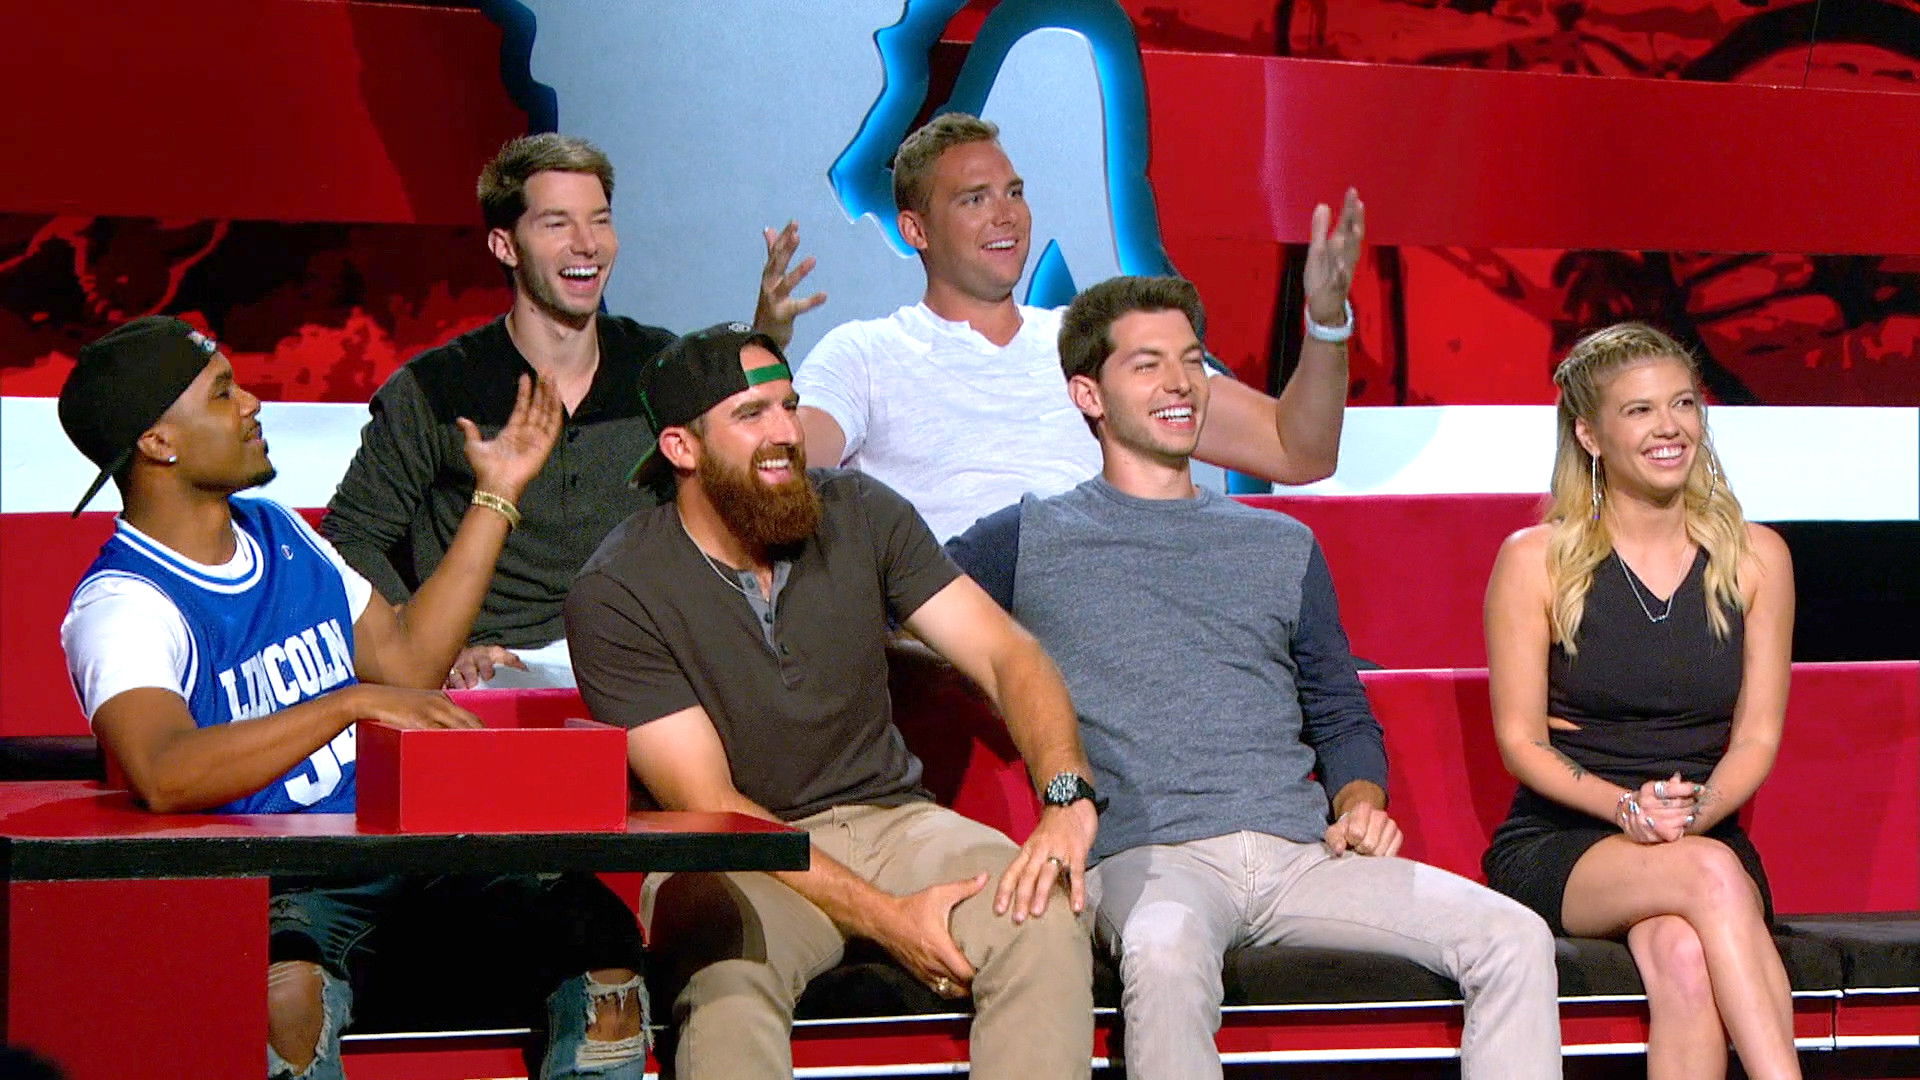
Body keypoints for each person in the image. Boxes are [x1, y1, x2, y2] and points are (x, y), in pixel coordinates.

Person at [946, 276, 1562, 1080]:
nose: (1180, 383)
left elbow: (1339, 712)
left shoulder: (1281, 545)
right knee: (1165, 950)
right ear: (1088, 395)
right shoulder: (1028, 537)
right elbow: (902, 615)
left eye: (1192, 361)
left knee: (1514, 937)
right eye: (1147, 365)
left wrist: (1361, 801)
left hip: (1300, 857)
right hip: (1149, 861)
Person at [58, 316, 648, 1080]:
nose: (252, 405)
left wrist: (496, 495)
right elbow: (164, 770)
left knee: (606, 965)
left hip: (415, 842)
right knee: (286, 1005)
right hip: (293, 881)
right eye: (224, 393)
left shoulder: (278, 531)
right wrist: (347, 705)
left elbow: (406, 663)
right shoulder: (123, 603)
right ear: (158, 442)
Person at [564, 324, 1098, 1079]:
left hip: (895, 823)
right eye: (752, 415)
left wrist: (1067, 796)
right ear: (682, 448)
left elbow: (1008, 655)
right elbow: (712, 806)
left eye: (789, 405)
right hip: (741, 858)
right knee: (727, 981)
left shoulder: (858, 511)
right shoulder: (618, 590)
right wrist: (890, 920)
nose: (786, 432)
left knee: (1040, 911)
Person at [324, 133, 823, 689]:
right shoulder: (434, 388)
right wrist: (425, 640)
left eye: (600, 221)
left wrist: (765, 340)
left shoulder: (658, 366)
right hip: (495, 669)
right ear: (505, 246)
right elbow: (351, 537)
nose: (587, 244)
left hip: (640, 653)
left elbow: (741, 464)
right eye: (557, 224)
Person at [795, 112, 1362, 540]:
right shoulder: (864, 354)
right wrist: (764, 348)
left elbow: (1297, 451)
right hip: (955, 630)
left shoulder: (1092, 337)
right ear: (915, 230)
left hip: (1112, 609)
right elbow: (777, 476)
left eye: (1014, 193)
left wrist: (1326, 323)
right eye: (974, 200)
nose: (1006, 215)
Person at [1482, 323, 1799, 1080]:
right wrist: (1627, 809)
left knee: (1684, 957)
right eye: (1640, 410)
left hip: (1703, 826)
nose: (1669, 427)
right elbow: (1522, 741)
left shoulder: (1758, 557)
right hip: (1568, 841)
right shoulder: (1536, 561)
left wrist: (1693, 815)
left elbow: (1756, 738)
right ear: (1589, 434)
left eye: (1683, 404)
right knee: (1712, 876)